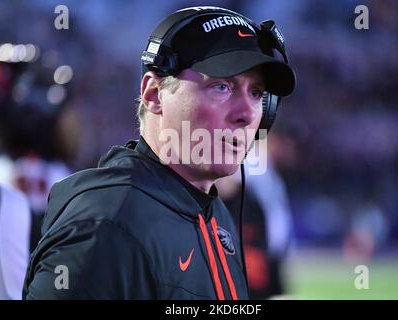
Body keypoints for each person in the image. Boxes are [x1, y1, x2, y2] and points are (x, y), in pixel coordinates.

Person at [23, 6, 295, 300]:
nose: (246, 113)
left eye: (256, 93)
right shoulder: (105, 225)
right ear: (154, 95)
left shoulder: (214, 213)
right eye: (222, 86)